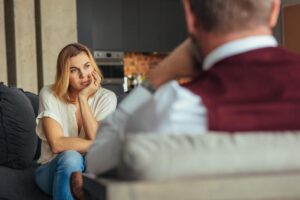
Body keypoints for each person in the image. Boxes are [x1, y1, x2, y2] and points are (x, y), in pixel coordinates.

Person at [73, 0, 300, 198]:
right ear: (274, 10)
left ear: (191, 17)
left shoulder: (173, 106)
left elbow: (97, 158)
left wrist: (157, 77)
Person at [34, 43, 117, 200]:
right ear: (64, 74)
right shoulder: (49, 94)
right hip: (52, 169)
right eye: (74, 70)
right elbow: (57, 144)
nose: (84, 75)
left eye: (87, 66)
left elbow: (94, 135)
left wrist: (83, 99)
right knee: (71, 157)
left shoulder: (107, 97)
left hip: (90, 169)